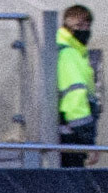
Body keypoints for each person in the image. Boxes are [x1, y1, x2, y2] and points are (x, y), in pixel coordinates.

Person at [59, 5, 99, 166]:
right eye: (79, 26)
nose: (85, 30)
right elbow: (75, 101)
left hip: (69, 136)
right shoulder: (69, 54)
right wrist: (87, 142)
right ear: (67, 28)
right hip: (71, 138)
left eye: (87, 26)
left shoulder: (74, 52)